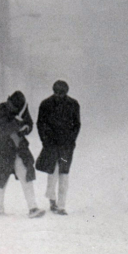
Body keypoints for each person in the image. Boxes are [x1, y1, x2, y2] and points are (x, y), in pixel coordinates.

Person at [0, 91, 45, 218]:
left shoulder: (23, 109)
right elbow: (3, 128)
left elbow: (30, 124)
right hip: (3, 150)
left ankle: (33, 208)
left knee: (26, 176)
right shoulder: (2, 109)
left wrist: (26, 128)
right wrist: (17, 122)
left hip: (19, 149)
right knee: (1, 180)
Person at [36, 80, 81, 215]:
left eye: (61, 93)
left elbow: (77, 125)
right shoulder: (45, 104)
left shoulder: (73, 104)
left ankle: (61, 205)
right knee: (53, 172)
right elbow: (40, 124)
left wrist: (71, 141)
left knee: (63, 173)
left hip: (66, 147)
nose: (59, 95)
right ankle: (52, 199)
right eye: (57, 92)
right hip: (52, 146)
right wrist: (46, 141)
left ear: (66, 92)